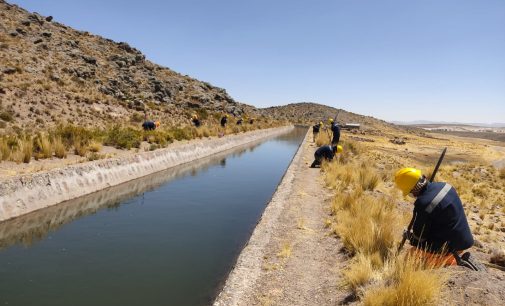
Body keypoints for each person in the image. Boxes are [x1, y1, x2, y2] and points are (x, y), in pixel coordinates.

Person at [394, 168, 475, 267]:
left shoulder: (423, 204)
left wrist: (409, 237)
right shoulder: (445, 186)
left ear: (413, 190)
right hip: (464, 241)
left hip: (450, 248)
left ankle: (450, 262)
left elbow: (419, 239)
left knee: (410, 257)